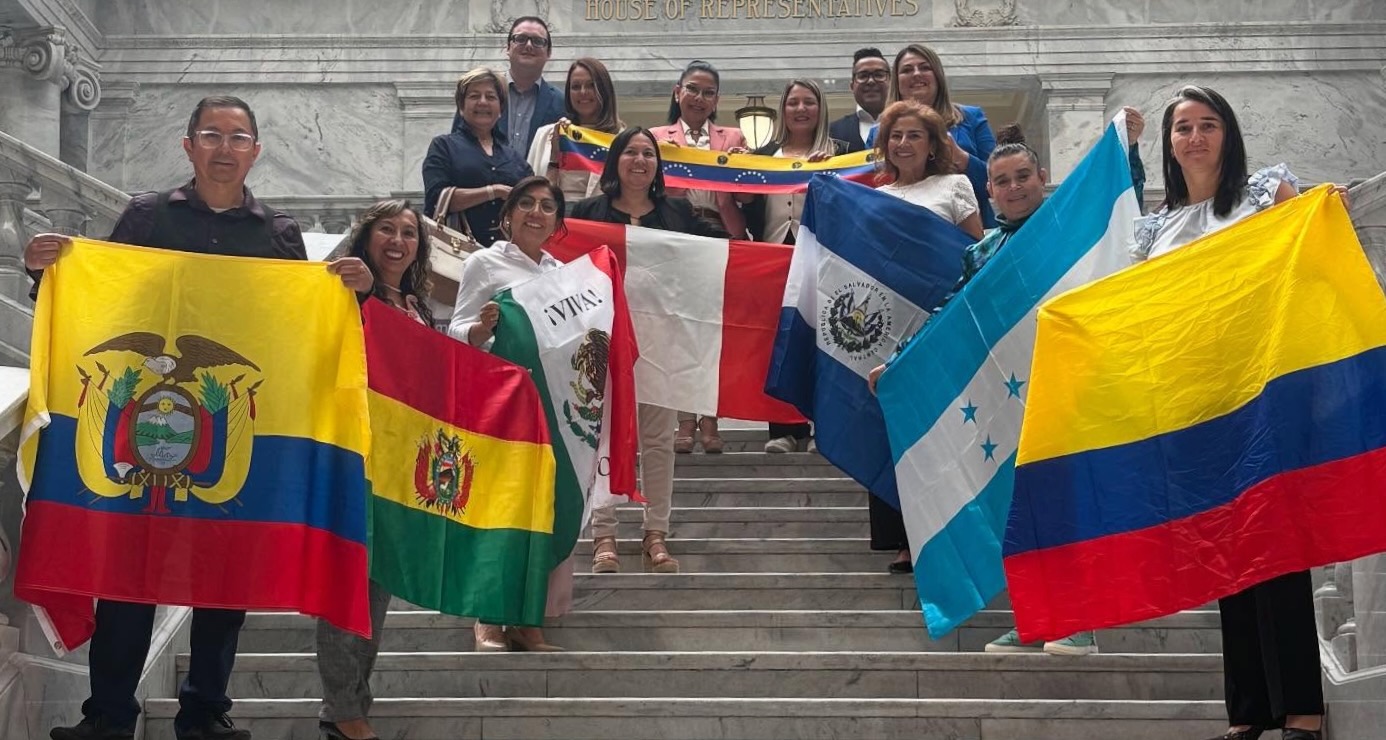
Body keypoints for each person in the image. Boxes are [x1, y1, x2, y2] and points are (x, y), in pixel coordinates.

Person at [23, 95, 373, 740]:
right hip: (145, 428)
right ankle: (107, 717)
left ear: (255, 151)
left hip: (236, 427)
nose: (223, 147)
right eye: (211, 134)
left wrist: (348, 293)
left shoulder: (278, 234)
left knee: (228, 574)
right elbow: (105, 297)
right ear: (187, 146)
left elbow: (296, 330)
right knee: (127, 577)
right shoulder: (147, 215)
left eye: (238, 137)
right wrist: (47, 273)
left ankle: (205, 713)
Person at [1130, 85, 1348, 740]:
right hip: (1197, 402)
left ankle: (1301, 705)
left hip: (1267, 388)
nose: (1194, 138)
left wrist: (1324, 209)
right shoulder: (1152, 229)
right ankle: (1248, 708)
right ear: (1168, 146)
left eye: (1208, 125)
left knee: (1277, 540)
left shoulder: (1265, 192)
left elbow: (1315, 247)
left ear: (1229, 133)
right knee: (1227, 547)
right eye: (1182, 129)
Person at [575, 127, 721, 576]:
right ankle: (604, 535)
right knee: (600, 439)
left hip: (663, 346)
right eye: (631, 152)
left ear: (658, 165)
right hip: (601, 345)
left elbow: (715, 258)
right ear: (615, 161)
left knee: (658, 442)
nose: (640, 160)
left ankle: (656, 533)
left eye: (648, 153)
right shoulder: (586, 213)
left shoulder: (679, 213)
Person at [316, 200, 434, 740]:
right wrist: (358, 292)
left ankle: (352, 705)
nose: (397, 239)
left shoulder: (417, 303)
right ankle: (342, 709)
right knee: (349, 584)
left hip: (397, 462)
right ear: (366, 234)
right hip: (350, 457)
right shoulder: (340, 289)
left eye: (409, 232)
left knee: (376, 590)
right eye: (387, 228)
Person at [446, 175, 573, 654]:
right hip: (500, 404)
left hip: (549, 407)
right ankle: (487, 617)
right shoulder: (485, 262)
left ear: (557, 221)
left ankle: (526, 617)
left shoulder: (563, 274)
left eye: (546, 206)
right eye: (527, 204)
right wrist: (480, 328)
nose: (536, 213)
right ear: (508, 214)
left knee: (539, 509)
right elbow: (457, 328)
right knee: (497, 507)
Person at [650, 60, 751, 454]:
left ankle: (711, 419)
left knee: (712, 330)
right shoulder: (658, 137)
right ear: (678, 92)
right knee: (678, 329)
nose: (699, 98)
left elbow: (745, 196)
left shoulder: (733, 136)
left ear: (716, 101)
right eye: (692, 89)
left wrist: (742, 167)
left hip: (720, 232)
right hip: (675, 234)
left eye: (708, 93)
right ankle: (684, 421)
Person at [745, 78, 847, 454]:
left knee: (827, 339)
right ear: (782, 110)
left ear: (820, 108)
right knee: (782, 343)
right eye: (793, 103)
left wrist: (831, 175)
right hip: (775, 255)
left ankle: (825, 427)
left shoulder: (841, 153)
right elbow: (745, 206)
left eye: (809, 102)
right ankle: (784, 429)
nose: (801, 109)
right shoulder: (761, 155)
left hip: (823, 258)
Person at [867, 44, 997, 228]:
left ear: (938, 76)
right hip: (903, 230)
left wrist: (961, 158)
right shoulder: (878, 133)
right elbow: (870, 188)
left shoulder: (972, 117)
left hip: (969, 227)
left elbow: (997, 181)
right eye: (907, 70)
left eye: (925, 67)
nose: (916, 74)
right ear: (897, 80)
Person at [424, 67, 534, 247]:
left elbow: (533, 201)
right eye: (474, 96)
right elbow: (436, 200)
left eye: (490, 97)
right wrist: (494, 191)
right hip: (457, 256)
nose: (482, 102)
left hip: (508, 258)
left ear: (501, 109)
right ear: (461, 107)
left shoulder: (514, 158)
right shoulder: (443, 146)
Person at [451, 15, 563, 157]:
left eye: (538, 41)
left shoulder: (561, 103)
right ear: (508, 48)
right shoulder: (478, 95)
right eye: (520, 39)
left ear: (549, 53)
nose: (528, 45)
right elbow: (455, 145)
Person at [875, 100, 985, 240]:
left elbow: (977, 251)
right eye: (896, 136)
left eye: (914, 136)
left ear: (932, 146)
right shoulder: (877, 196)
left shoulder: (955, 185)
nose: (903, 143)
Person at [529, 57, 624, 209]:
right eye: (575, 86)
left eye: (591, 86)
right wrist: (555, 156)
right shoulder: (545, 134)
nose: (583, 92)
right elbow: (530, 192)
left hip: (602, 225)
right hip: (554, 223)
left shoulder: (623, 140)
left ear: (604, 90)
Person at [829, 47, 890, 153]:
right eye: (863, 76)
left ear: (891, 82)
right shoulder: (831, 133)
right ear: (852, 86)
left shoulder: (909, 125)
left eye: (879, 75)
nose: (871, 81)